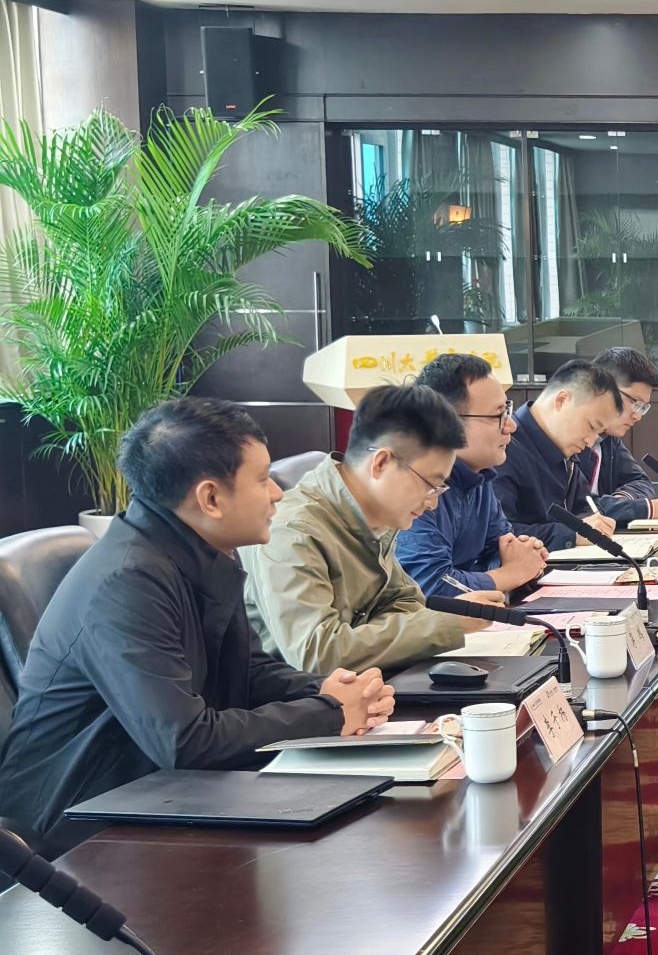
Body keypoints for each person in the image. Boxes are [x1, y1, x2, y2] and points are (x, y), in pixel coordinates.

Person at [0, 399, 393, 855]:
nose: (277, 494)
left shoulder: (197, 553)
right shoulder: (126, 582)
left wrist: (326, 689)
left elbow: (247, 671)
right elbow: (184, 742)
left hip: (159, 797)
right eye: (262, 479)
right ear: (210, 499)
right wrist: (329, 713)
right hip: (72, 831)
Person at [243, 384, 502, 675]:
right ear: (381, 463)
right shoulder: (293, 530)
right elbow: (318, 654)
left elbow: (405, 603)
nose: (432, 503)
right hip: (301, 696)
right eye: (431, 484)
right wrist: (447, 624)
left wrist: (375, 634)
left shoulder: (375, 517)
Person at [396, 353, 550, 597]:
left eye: (508, 410)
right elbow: (429, 586)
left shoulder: (478, 476)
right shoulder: (412, 482)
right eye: (498, 415)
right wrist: (512, 574)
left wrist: (525, 557)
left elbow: (499, 549)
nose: (511, 425)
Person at [496, 358, 627, 551]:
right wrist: (572, 534)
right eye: (592, 426)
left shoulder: (563, 450)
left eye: (599, 433)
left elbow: (584, 507)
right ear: (562, 400)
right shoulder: (503, 449)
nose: (591, 441)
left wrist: (595, 523)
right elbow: (498, 536)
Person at [580, 346, 658, 525]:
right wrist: (652, 508)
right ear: (601, 388)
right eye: (635, 402)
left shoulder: (608, 438)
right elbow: (579, 509)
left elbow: (640, 481)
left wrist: (622, 502)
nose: (638, 415)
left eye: (643, 407)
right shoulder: (569, 440)